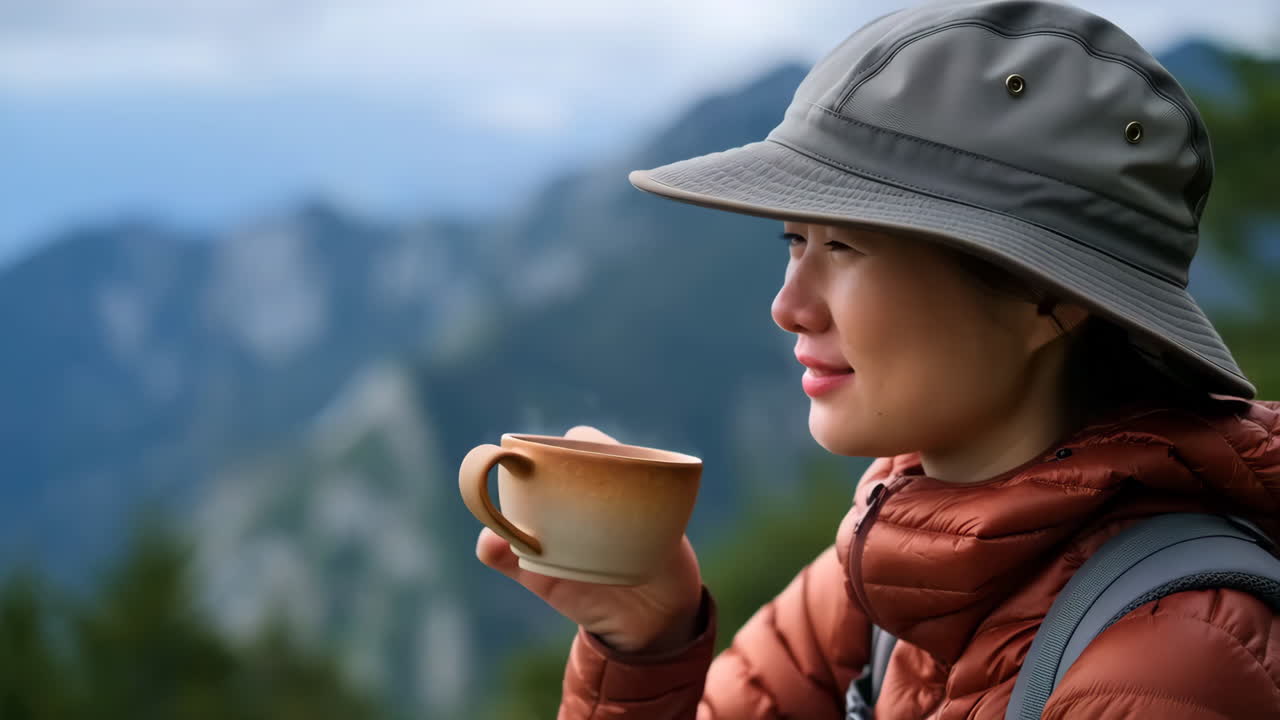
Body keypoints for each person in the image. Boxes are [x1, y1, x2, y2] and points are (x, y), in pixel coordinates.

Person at [475, 1, 1280, 718]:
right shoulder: (894, 569)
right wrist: (646, 641)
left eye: (846, 247)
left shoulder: (1174, 666)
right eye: (794, 242)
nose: (788, 305)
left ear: (1048, 298)